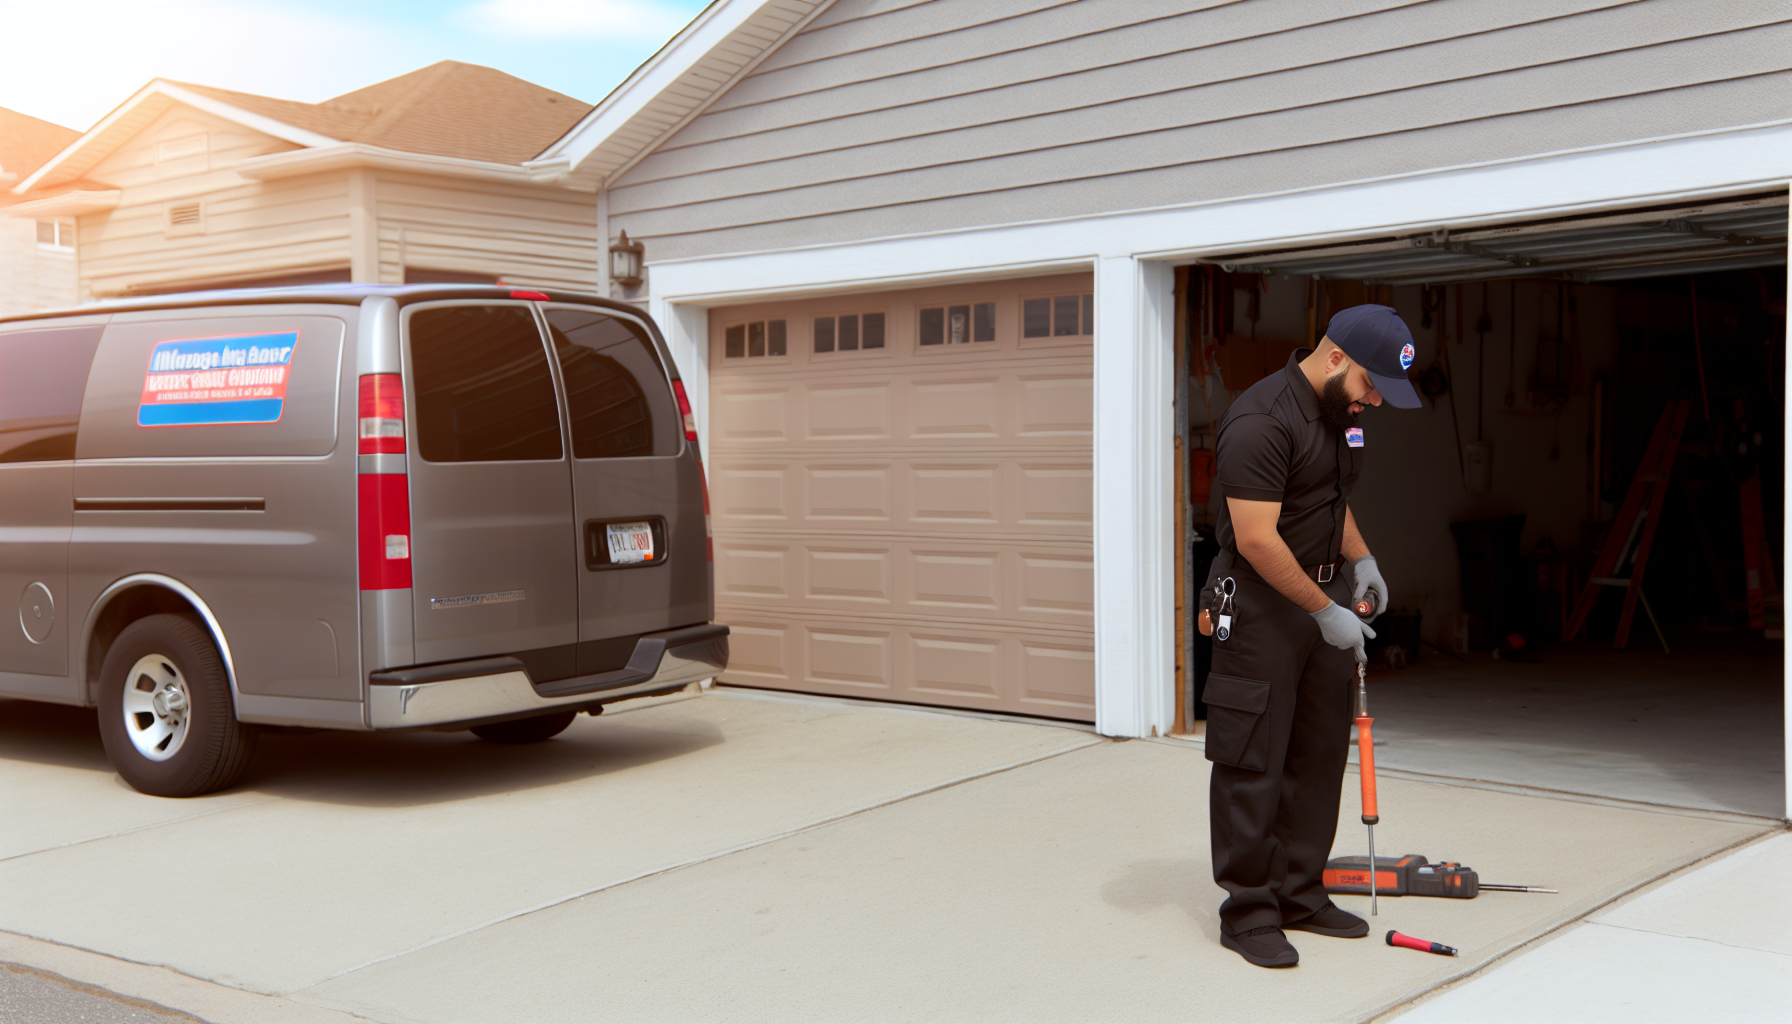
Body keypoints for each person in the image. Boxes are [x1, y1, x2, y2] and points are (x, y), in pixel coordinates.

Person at [1203, 303, 1421, 968]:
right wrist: (1322, 611)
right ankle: (1249, 910)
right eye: (1370, 384)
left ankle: (1299, 891)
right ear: (1335, 359)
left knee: (1318, 753)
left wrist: (1363, 561)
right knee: (1255, 760)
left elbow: (1331, 501)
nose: (1375, 400)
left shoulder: (1338, 414)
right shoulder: (1261, 420)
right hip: (1265, 606)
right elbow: (1257, 538)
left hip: (1322, 596)